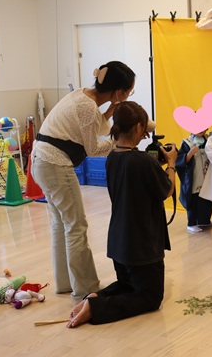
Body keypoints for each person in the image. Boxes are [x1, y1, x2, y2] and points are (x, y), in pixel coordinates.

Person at [67, 101, 177, 327]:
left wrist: (155, 165)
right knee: (150, 298)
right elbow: (166, 190)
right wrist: (172, 164)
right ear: (138, 127)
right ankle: (96, 308)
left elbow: (138, 178)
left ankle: (94, 298)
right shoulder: (143, 161)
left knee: (129, 286)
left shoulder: (112, 158)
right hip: (142, 245)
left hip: (120, 243)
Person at [31, 61, 135, 298]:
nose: (128, 95)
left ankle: (66, 283)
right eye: (129, 91)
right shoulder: (87, 106)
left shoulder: (82, 95)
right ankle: (86, 289)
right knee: (76, 226)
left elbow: (91, 127)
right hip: (55, 165)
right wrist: (120, 141)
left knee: (61, 224)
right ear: (119, 91)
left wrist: (110, 110)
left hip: (41, 161)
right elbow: (93, 149)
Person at [175, 130, 212, 233]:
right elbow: (180, 161)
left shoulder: (208, 140)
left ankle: (205, 221)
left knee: (206, 199)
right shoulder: (187, 143)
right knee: (193, 199)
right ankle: (191, 223)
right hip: (194, 177)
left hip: (206, 175)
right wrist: (190, 153)